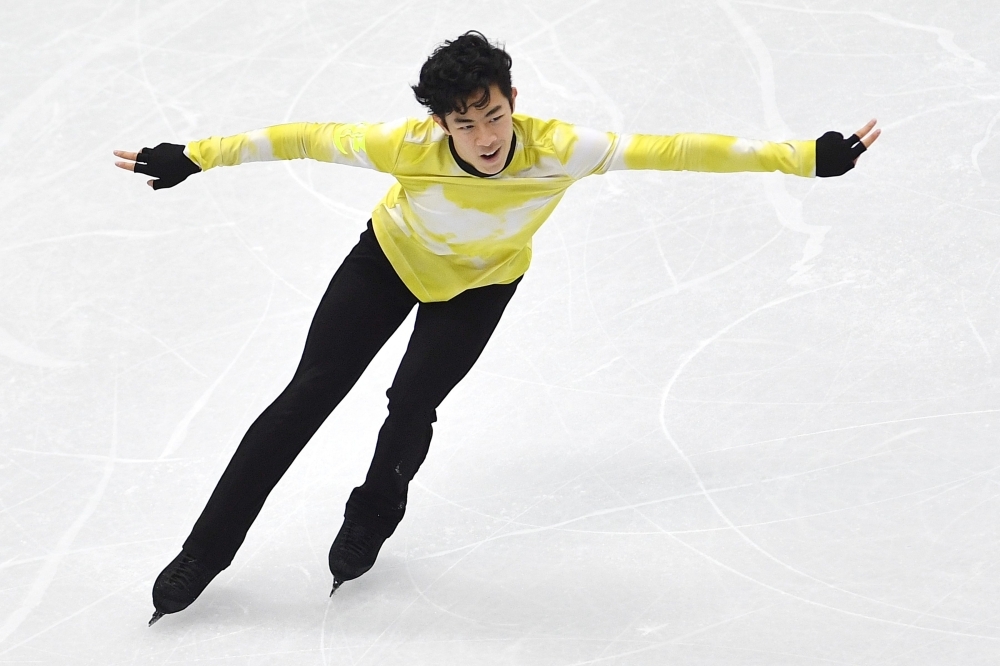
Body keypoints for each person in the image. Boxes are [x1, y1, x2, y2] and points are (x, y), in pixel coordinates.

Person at [114, 30, 880, 626]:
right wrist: (196, 157)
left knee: (412, 405)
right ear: (439, 122)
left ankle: (371, 517)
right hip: (387, 263)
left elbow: (676, 150)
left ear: (513, 99)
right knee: (304, 399)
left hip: (479, 287)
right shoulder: (403, 148)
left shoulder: (563, 151)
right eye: (464, 122)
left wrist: (801, 159)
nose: (484, 136)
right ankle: (202, 553)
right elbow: (303, 138)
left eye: (495, 115)